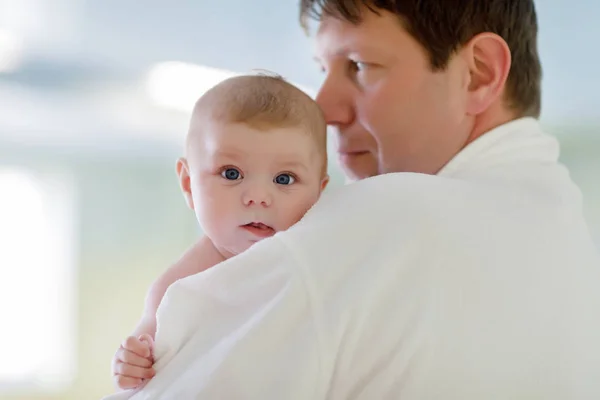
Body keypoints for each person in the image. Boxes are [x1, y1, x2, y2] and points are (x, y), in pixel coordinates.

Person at [104, 1, 600, 399]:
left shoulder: (378, 221)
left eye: (359, 66)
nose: (321, 106)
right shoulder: (573, 247)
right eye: (322, 67)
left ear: (477, 73)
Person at [110, 73, 329, 391]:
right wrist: (129, 362)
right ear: (188, 184)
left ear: (319, 193)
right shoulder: (177, 288)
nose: (258, 196)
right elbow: (142, 360)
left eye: (284, 179)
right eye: (231, 173)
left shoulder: (324, 259)